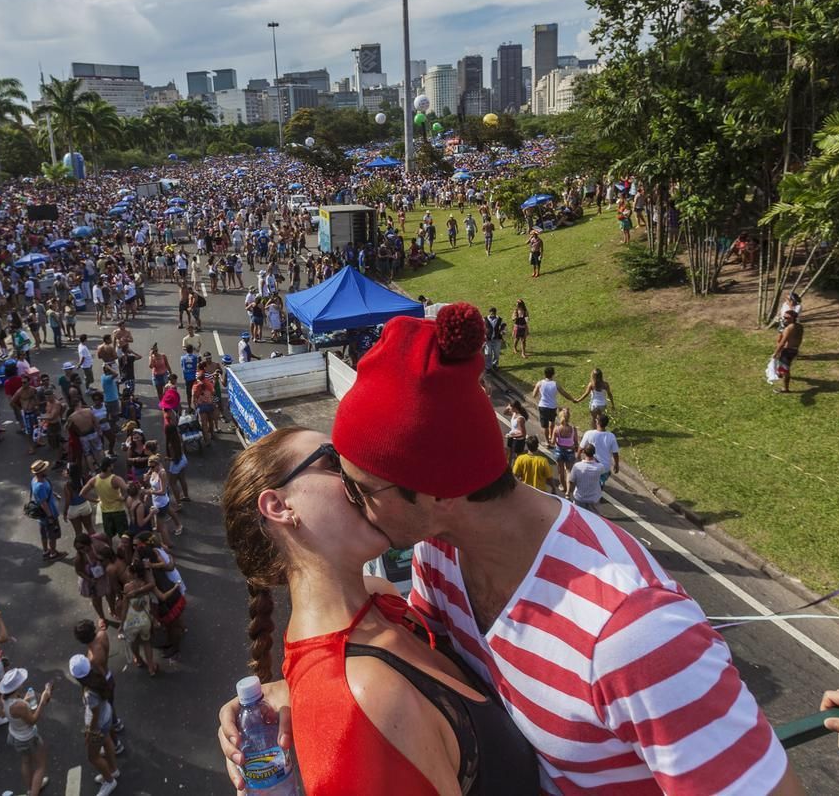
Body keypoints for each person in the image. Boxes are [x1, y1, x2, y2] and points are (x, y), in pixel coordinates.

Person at [218, 303, 802, 795]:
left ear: (437, 493)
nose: (354, 503)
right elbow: (434, 670)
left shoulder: (631, 634)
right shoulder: (436, 554)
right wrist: (298, 688)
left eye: (361, 490)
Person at [219, 426, 539, 794]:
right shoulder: (362, 698)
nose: (360, 472)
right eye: (333, 461)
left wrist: (288, 691)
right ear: (279, 507)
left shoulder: (380, 599)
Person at [68, 654, 121, 796]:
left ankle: (109, 781)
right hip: (107, 714)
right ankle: (113, 769)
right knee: (107, 741)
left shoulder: (89, 693)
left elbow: (95, 715)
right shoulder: (98, 675)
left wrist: (90, 733)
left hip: (99, 724)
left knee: (93, 757)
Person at [0, 667, 52, 796]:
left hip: (15, 735)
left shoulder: (3, 699)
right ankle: (34, 792)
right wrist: (42, 701)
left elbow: (2, 714)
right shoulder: (19, 706)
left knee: (25, 761)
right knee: (40, 765)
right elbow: (32, 720)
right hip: (27, 737)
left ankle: (31, 789)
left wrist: (25, 700)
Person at [579, 411, 621, 476]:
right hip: (604, 468)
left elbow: (580, 448)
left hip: (591, 466)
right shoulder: (611, 436)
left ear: (597, 422)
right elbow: (615, 453)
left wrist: (578, 457)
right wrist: (616, 465)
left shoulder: (589, 433)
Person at [773, 309, 804, 394]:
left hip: (788, 351)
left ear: (793, 318)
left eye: (787, 318)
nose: (785, 319)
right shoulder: (800, 326)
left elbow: (782, 342)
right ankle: (779, 374)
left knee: (785, 370)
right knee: (782, 365)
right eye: (784, 317)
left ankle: (785, 389)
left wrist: (775, 353)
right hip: (795, 350)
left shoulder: (789, 328)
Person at [530, 366, 561, 443]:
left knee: (545, 425)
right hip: (552, 406)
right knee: (552, 422)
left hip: (543, 406)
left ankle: (547, 441)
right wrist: (573, 399)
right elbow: (564, 393)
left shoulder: (540, 383)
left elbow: (534, 395)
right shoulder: (555, 384)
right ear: (553, 374)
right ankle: (551, 435)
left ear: (545, 374)